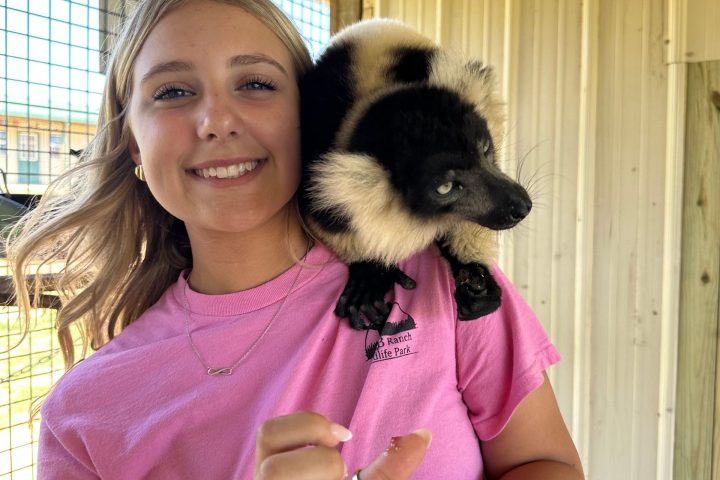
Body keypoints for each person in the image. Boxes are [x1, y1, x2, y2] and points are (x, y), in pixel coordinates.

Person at [6, 0, 584, 478]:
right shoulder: (83, 415)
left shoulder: (446, 282)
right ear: (135, 146)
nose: (217, 120)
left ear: (309, 120)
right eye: (173, 93)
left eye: (255, 83)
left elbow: (546, 462)